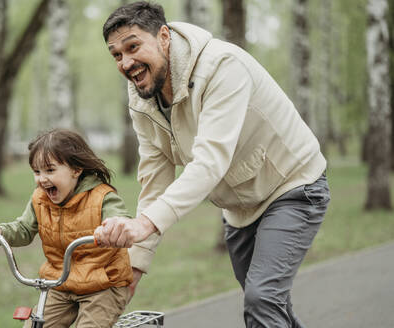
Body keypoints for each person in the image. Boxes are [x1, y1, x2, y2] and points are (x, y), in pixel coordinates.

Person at [94, 1, 330, 327]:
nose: (126, 62)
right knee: (268, 307)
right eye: (116, 55)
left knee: (262, 299)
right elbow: (154, 177)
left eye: (133, 47)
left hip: (293, 186)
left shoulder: (221, 66)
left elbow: (210, 161)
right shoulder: (142, 99)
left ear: (163, 36)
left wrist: (146, 224)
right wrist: (134, 268)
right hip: (239, 208)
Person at [0, 129, 133, 328]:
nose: (42, 179)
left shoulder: (102, 197)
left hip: (104, 284)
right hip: (61, 283)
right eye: (37, 171)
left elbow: (120, 219)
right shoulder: (40, 198)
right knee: (35, 326)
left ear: (76, 170)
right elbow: (23, 229)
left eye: (50, 170)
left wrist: (113, 228)